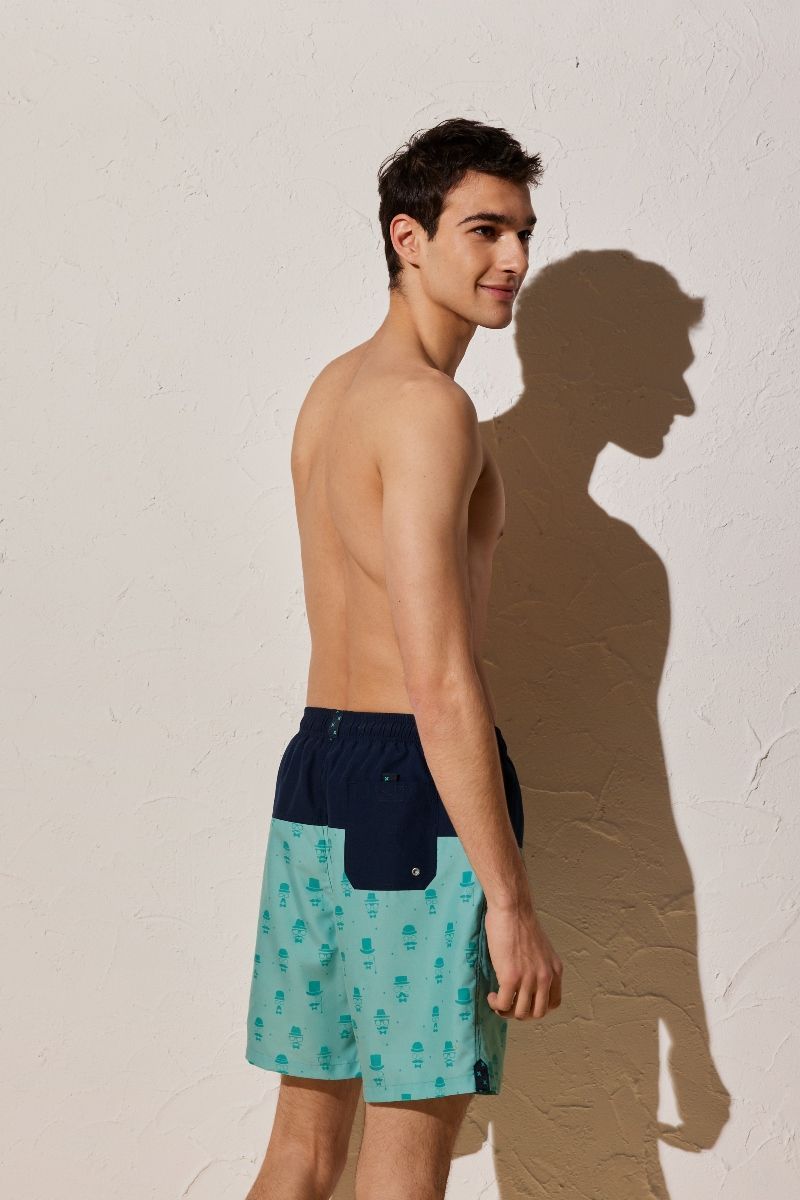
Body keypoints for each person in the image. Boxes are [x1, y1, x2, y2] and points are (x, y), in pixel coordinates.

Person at [243, 116, 563, 1200]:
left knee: (299, 1153)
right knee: (403, 1164)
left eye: (523, 232)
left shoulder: (331, 393)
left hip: (316, 773)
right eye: (484, 230)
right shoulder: (431, 411)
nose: (512, 258)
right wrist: (510, 904)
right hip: (411, 789)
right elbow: (437, 676)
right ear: (407, 239)